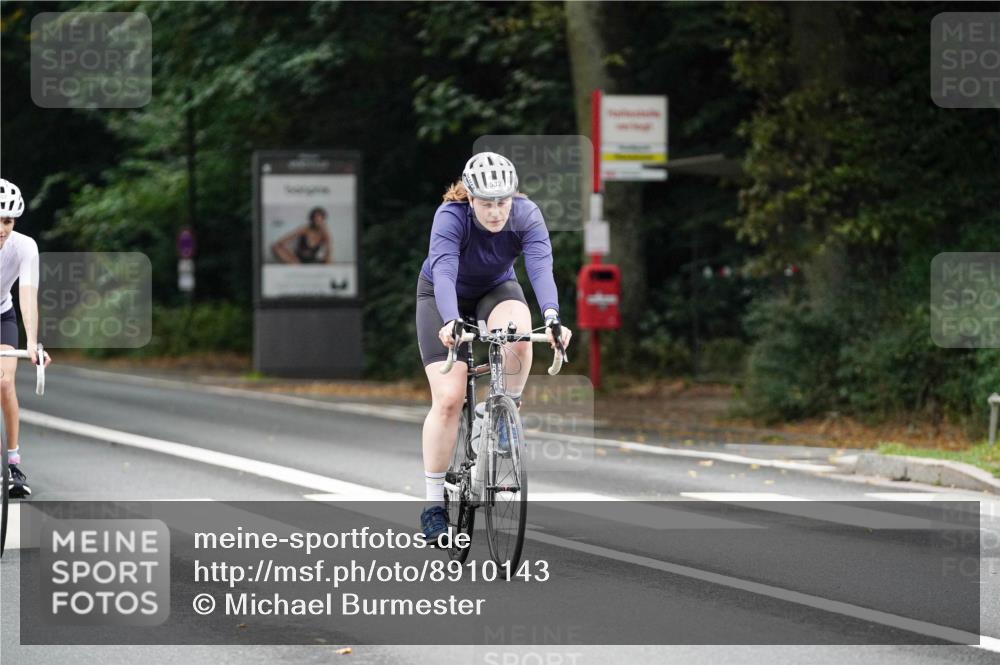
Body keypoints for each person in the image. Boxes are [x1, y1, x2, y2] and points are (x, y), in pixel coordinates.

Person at [415, 152, 572, 542]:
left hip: (495, 290)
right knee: (449, 398)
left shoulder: (526, 214)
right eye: (487, 203)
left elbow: (539, 267)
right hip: (441, 295)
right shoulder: (450, 217)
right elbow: (445, 271)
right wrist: (451, 319)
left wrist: (552, 317)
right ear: (470, 198)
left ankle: (504, 412)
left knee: (519, 333)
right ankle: (434, 504)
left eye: (503, 202)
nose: (497, 212)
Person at [0, 178, 51, 499]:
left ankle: (13, 464)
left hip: (1, 315)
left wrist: (32, 343)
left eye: (7, 221)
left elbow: (27, 295)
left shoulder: (24, 246)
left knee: (4, 382)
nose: (1, 229)